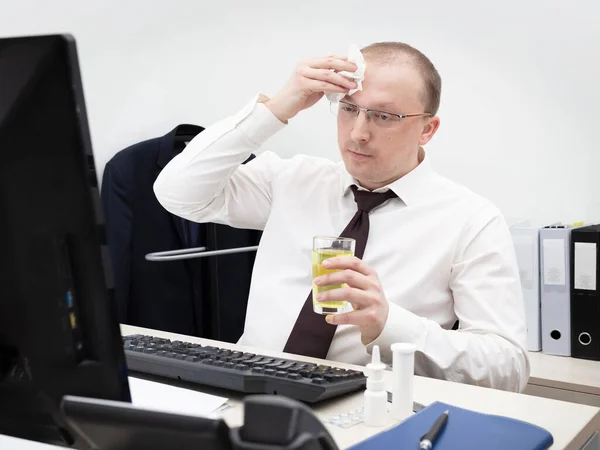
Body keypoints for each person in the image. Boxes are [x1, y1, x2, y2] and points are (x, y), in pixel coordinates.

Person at [153, 41, 530, 392]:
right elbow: (176, 192)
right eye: (349, 109)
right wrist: (278, 107)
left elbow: (508, 368)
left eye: (384, 116)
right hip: (247, 391)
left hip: (370, 407)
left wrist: (390, 325)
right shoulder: (292, 180)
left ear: (427, 129)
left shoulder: (471, 220)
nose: (359, 133)